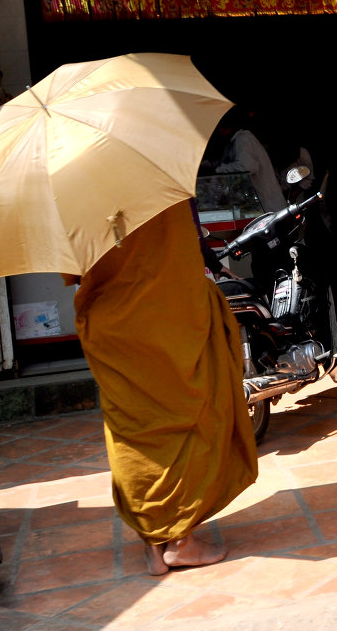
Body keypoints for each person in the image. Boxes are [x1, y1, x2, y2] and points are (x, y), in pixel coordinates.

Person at [62, 201, 258, 575]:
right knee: (195, 418)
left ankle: (155, 545)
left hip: (113, 326)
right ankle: (182, 540)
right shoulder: (158, 183)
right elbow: (183, 248)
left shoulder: (73, 193)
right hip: (171, 318)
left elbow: (73, 272)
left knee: (133, 431)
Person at [212, 109, 288, 213]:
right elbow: (224, 162)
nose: (218, 131)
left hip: (269, 206)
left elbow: (246, 167)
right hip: (261, 206)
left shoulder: (243, 139)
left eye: (219, 127)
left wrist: (218, 170)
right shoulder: (233, 142)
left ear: (227, 127)